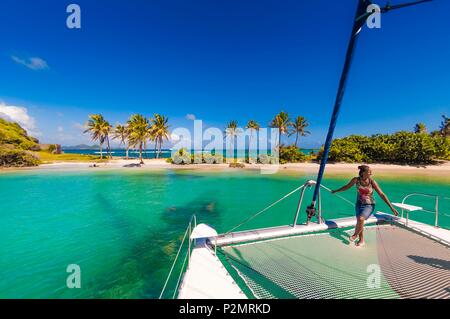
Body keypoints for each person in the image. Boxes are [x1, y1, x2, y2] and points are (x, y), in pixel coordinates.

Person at [331, 165, 399, 247]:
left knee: (361, 218)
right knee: (360, 222)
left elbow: (381, 194)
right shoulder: (356, 180)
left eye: (371, 171)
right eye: (369, 171)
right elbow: (346, 187)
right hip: (359, 204)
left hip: (369, 205)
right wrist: (336, 191)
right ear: (363, 173)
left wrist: (391, 207)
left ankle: (355, 235)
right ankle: (361, 240)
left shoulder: (372, 182)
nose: (371, 173)